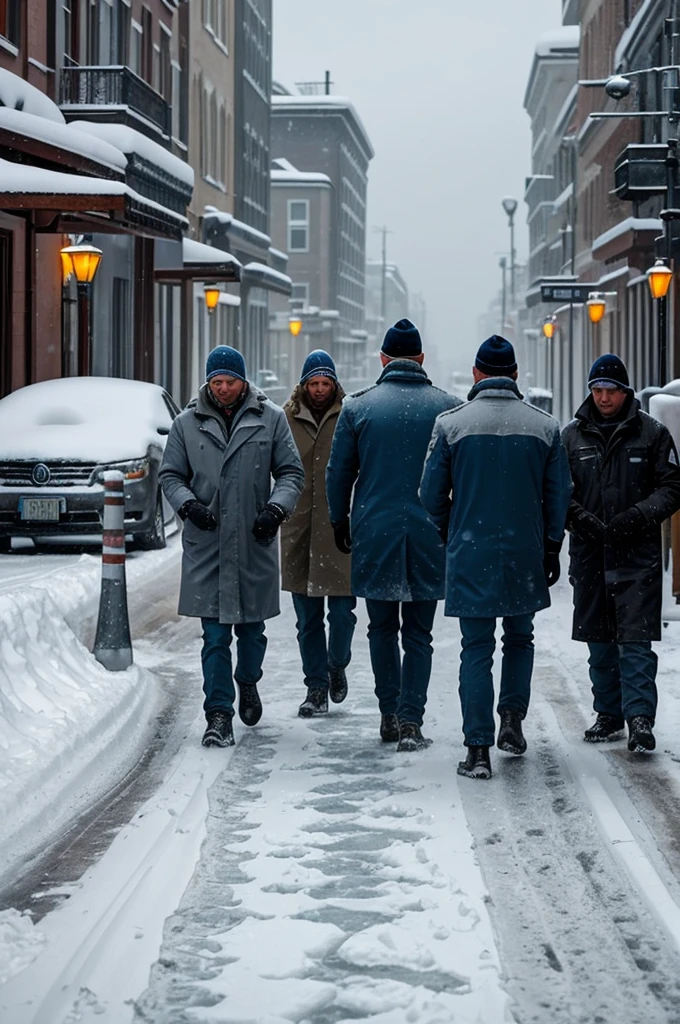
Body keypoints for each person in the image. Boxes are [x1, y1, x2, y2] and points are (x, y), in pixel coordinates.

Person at [420, 335, 572, 780]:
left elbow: (430, 495)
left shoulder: (452, 424)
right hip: (524, 550)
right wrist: (549, 543)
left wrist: (451, 527)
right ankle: (512, 719)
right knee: (520, 639)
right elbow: (558, 494)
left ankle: (478, 747)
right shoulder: (544, 426)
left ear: (476, 374)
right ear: (516, 376)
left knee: (476, 648)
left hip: (471, 549)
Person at [159, 345, 304, 748]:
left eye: (230, 381)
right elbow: (170, 475)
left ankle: (248, 680)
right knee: (215, 636)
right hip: (207, 544)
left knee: (252, 632)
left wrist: (275, 510)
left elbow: (291, 473)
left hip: (254, 540)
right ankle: (218, 714)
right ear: (208, 382)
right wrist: (187, 505)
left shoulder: (270, 419)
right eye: (217, 382)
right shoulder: (186, 425)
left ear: (243, 381)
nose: (223, 388)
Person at [326, 318, 460, 751]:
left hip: (375, 530)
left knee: (381, 628)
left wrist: (338, 521)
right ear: (421, 359)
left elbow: (339, 473)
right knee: (419, 634)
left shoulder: (358, 408)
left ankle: (388, 711)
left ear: (383, 358)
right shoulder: (448, 409)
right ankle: (411, 719)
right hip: (430, 533)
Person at [562, 354, 680, 753]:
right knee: (600, 641)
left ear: (625, 391)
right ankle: (609, 713)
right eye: (597, 390)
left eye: (610, 390)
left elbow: (672, 487)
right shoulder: (571, 437)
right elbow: (558, 492)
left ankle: (640, 719)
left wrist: (636, 518)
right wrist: (581, 520)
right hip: (591, 556)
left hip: (636, 555)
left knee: (635, 642)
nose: (604, 397)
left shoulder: (652, 434)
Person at [280, 350, 356, 718]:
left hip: (339, 527)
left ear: (335, 384)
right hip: (299, 528)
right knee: (307, 619)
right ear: (304, 384)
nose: (320, 389)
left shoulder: (350, 416)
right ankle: (316, 687)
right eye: (314, 383)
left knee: (342, 612)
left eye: (326, 383)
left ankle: (337, 663)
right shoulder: (286, 419)